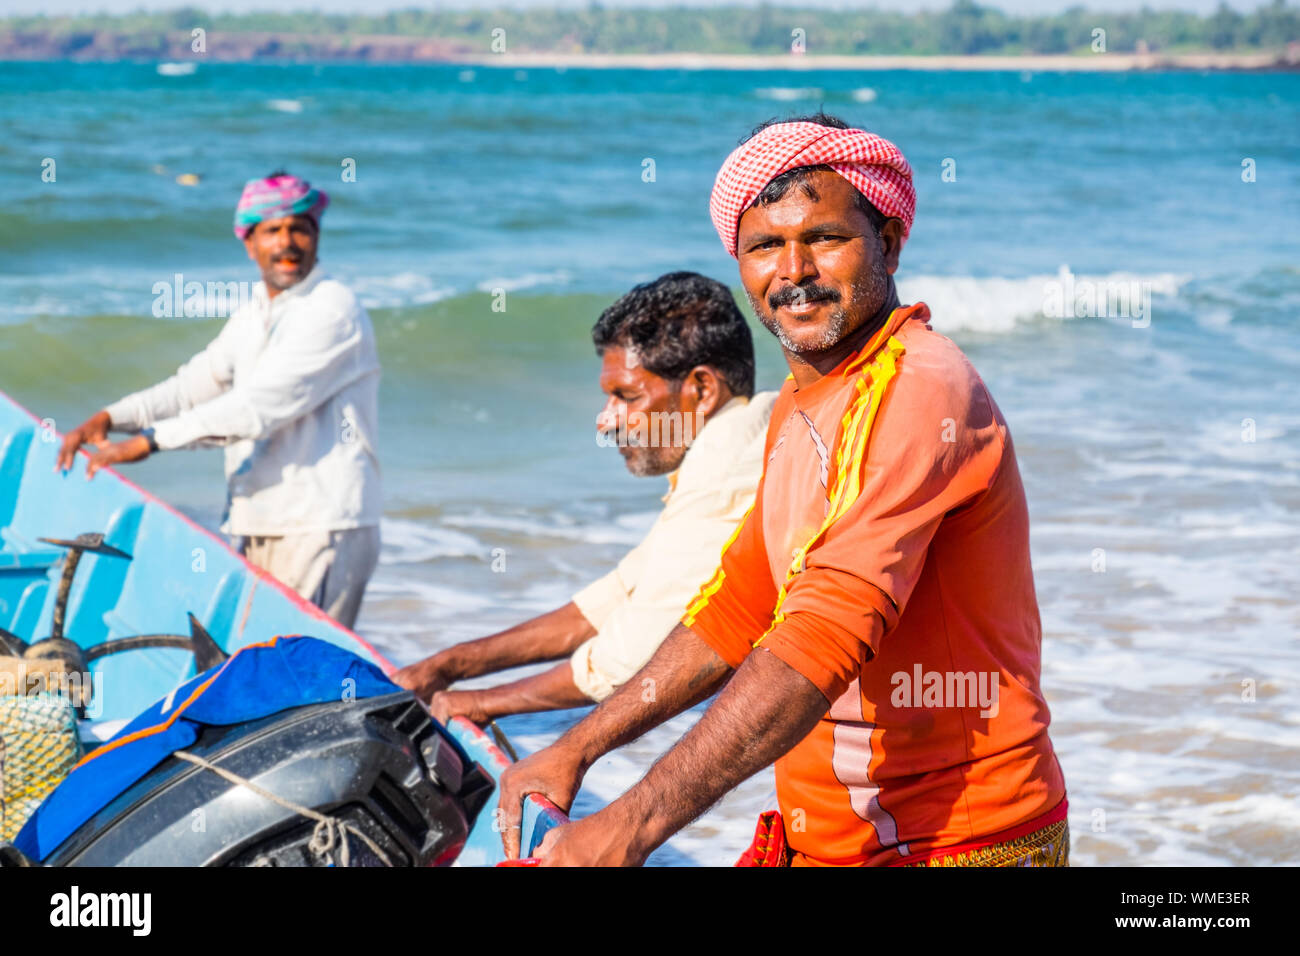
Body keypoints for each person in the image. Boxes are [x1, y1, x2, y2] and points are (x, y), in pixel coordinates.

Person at [496, 113, 1069, 867]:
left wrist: (631, 824)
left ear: (889, 242)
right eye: (765, 245)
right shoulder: (800, 405)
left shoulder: (919, 391)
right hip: (828, 834)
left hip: (957, 840)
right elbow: (737, 606)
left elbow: (819, 635)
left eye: (824, 238)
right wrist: (577, 749)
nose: (792, 270)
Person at [393, 272, 776, 725]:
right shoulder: (745, 436)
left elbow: (629, 661)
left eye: (626, 397)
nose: (605, 421)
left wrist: (483, 703)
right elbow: (615, 599)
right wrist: (449, 666)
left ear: (702, 389)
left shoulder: (725, 479)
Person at [55, 172, 382, 630]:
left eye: (299, 228)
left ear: (316, 236)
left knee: (298, 674)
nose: (287, 242)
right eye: (272, 230)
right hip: (259, 518)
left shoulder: (332, 308)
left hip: (320, 524)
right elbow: (192, 385)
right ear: (249, 243)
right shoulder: (256, 312)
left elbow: (257, 409)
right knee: (259, 669)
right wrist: (114, 417)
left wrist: (149, 442)